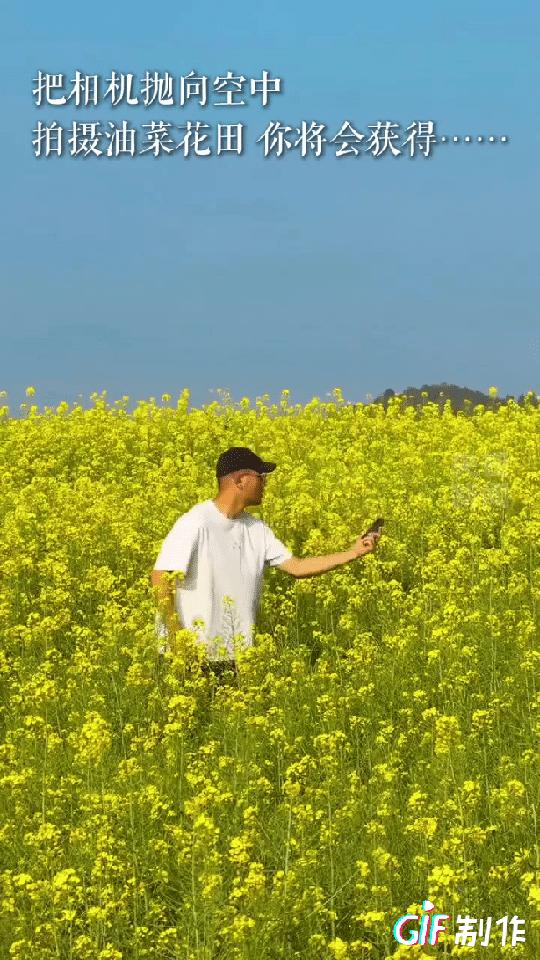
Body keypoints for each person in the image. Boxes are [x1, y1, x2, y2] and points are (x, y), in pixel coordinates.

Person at [151, 446, 381, 673]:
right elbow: (160, 576)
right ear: (241, 479)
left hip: (237, 657)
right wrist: (176, 637)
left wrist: (354, 552)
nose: (265, 484)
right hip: (189, 657)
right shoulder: (196, 522)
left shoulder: (256, 529)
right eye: (260, 477)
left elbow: (297, 567)